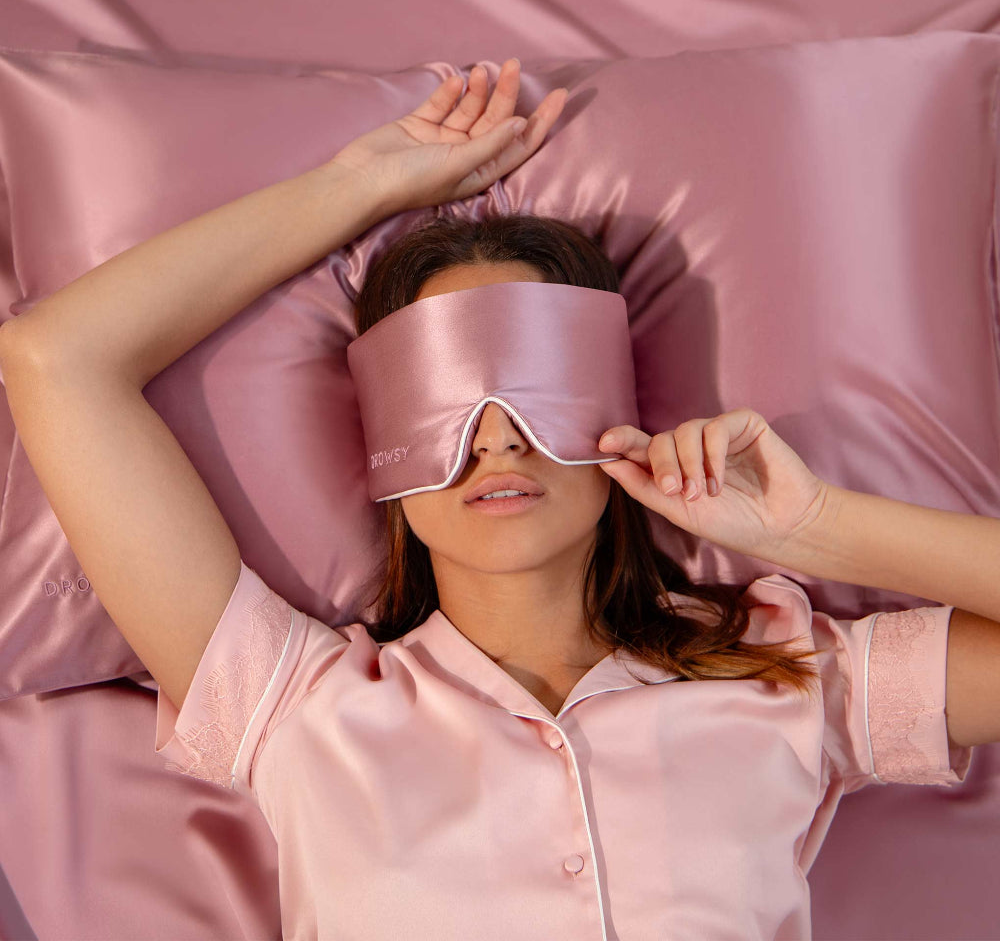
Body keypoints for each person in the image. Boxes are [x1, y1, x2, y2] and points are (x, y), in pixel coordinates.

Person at [1, 57, 996, 941]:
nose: (495, 436)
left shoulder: (784, 676)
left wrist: (815, 525)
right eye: (440, 397)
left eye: (536, 385)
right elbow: (55, 360)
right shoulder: (292, 707)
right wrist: (359, 186)